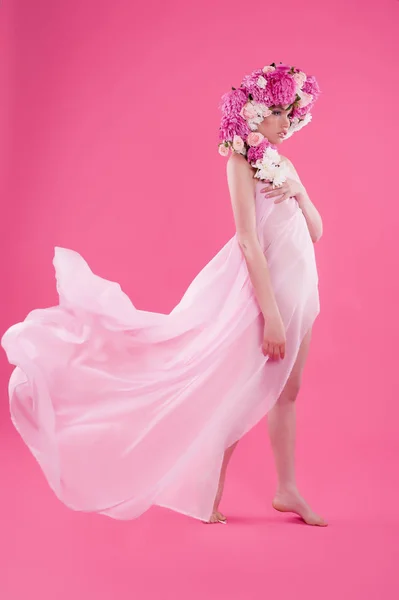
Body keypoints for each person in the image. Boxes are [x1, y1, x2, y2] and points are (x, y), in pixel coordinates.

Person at [1, 62, 327, 527]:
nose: (286, 122)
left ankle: (287, 489)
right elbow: (248, 240)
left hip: (301, 287)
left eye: (290, 115)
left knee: (288, 391)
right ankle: (209, 488)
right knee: (243, 387)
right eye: (278, 113)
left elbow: (315, 231)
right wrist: (270, 314)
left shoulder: (285, 165)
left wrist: (300, 192)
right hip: (266, 294)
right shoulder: (241, 162)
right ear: (255, 113)